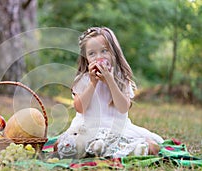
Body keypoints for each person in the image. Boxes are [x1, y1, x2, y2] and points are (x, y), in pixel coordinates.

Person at [60, 27, 164, 157]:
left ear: (113, 52)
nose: (99, 57)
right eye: (92, 53)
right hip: (87, 127)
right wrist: (93, 82)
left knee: (153, 146)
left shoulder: (121, 78)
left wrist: (110, 81)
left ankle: (132, 150)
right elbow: (80, 108)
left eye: (104, 51)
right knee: (60, 143)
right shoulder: (84, 79)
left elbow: (123, 108)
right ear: (86, 58)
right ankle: (95, 147)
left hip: (116, 128)